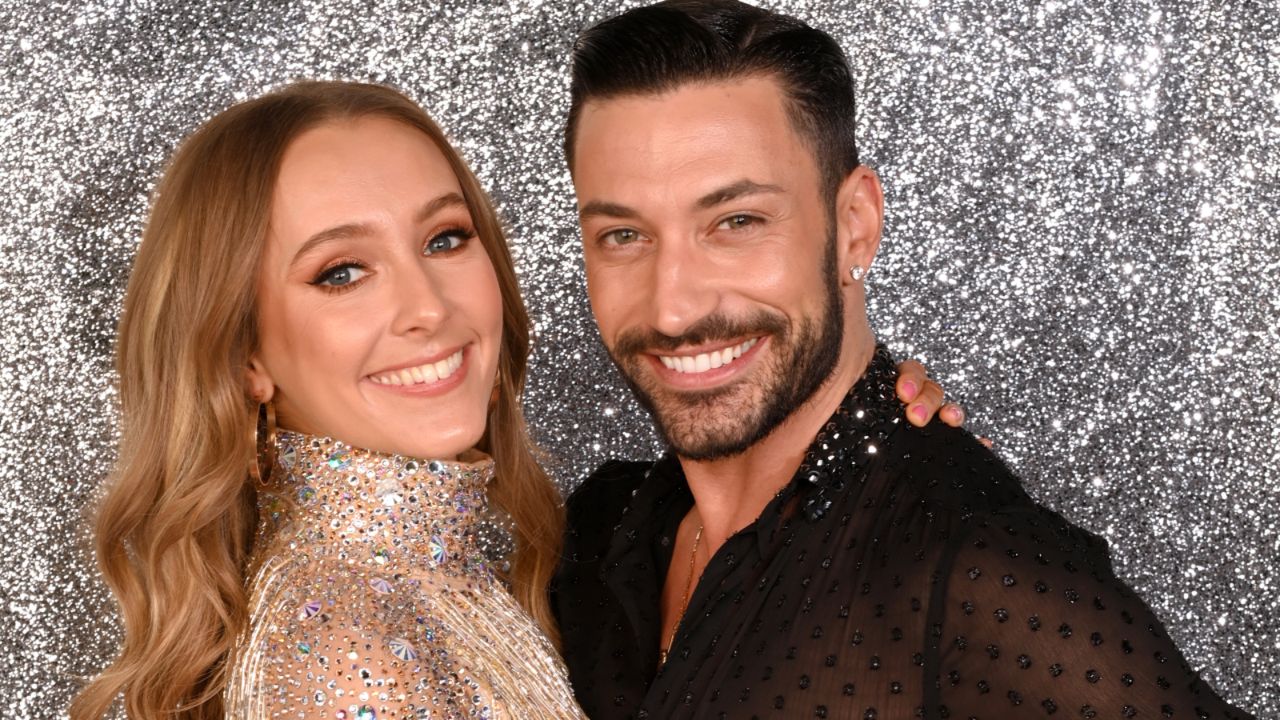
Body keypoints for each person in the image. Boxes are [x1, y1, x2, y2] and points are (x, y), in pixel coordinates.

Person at [71, 80, 955, 718]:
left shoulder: (493, 562)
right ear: (247, 356)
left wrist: (864, 418)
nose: (428, 308)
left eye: (446, 239)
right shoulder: (349, 640)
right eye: (342, 272)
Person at [552, 2, 1258, 719]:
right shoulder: (599, 529)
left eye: (737, 222)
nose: (673, 308)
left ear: (855, 225)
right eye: (623, 236)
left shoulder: (978, 569)